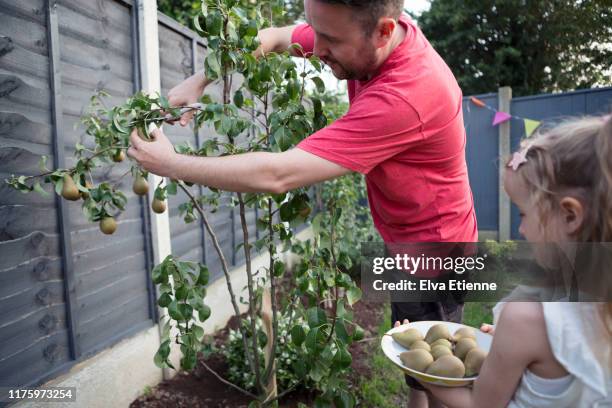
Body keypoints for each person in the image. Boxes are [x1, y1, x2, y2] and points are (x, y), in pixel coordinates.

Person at [129, 2, 477, 406]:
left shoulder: (408, 95)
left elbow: (279, 175)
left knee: (440, 376)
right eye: (317, 32)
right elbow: (276, 38)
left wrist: (172, 164)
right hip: (406, 242)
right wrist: (198, 80)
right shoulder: (364, 36)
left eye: (330, 39)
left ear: (383, 32)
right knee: (414, 362)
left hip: (436, 254)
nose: (318, 48)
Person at [396, 115, 612, 407]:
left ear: (570, 215)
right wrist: (512, 347)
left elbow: (479, 405)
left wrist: (420, 369)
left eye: (523, 214)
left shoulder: (525, 320)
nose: (521, 229)